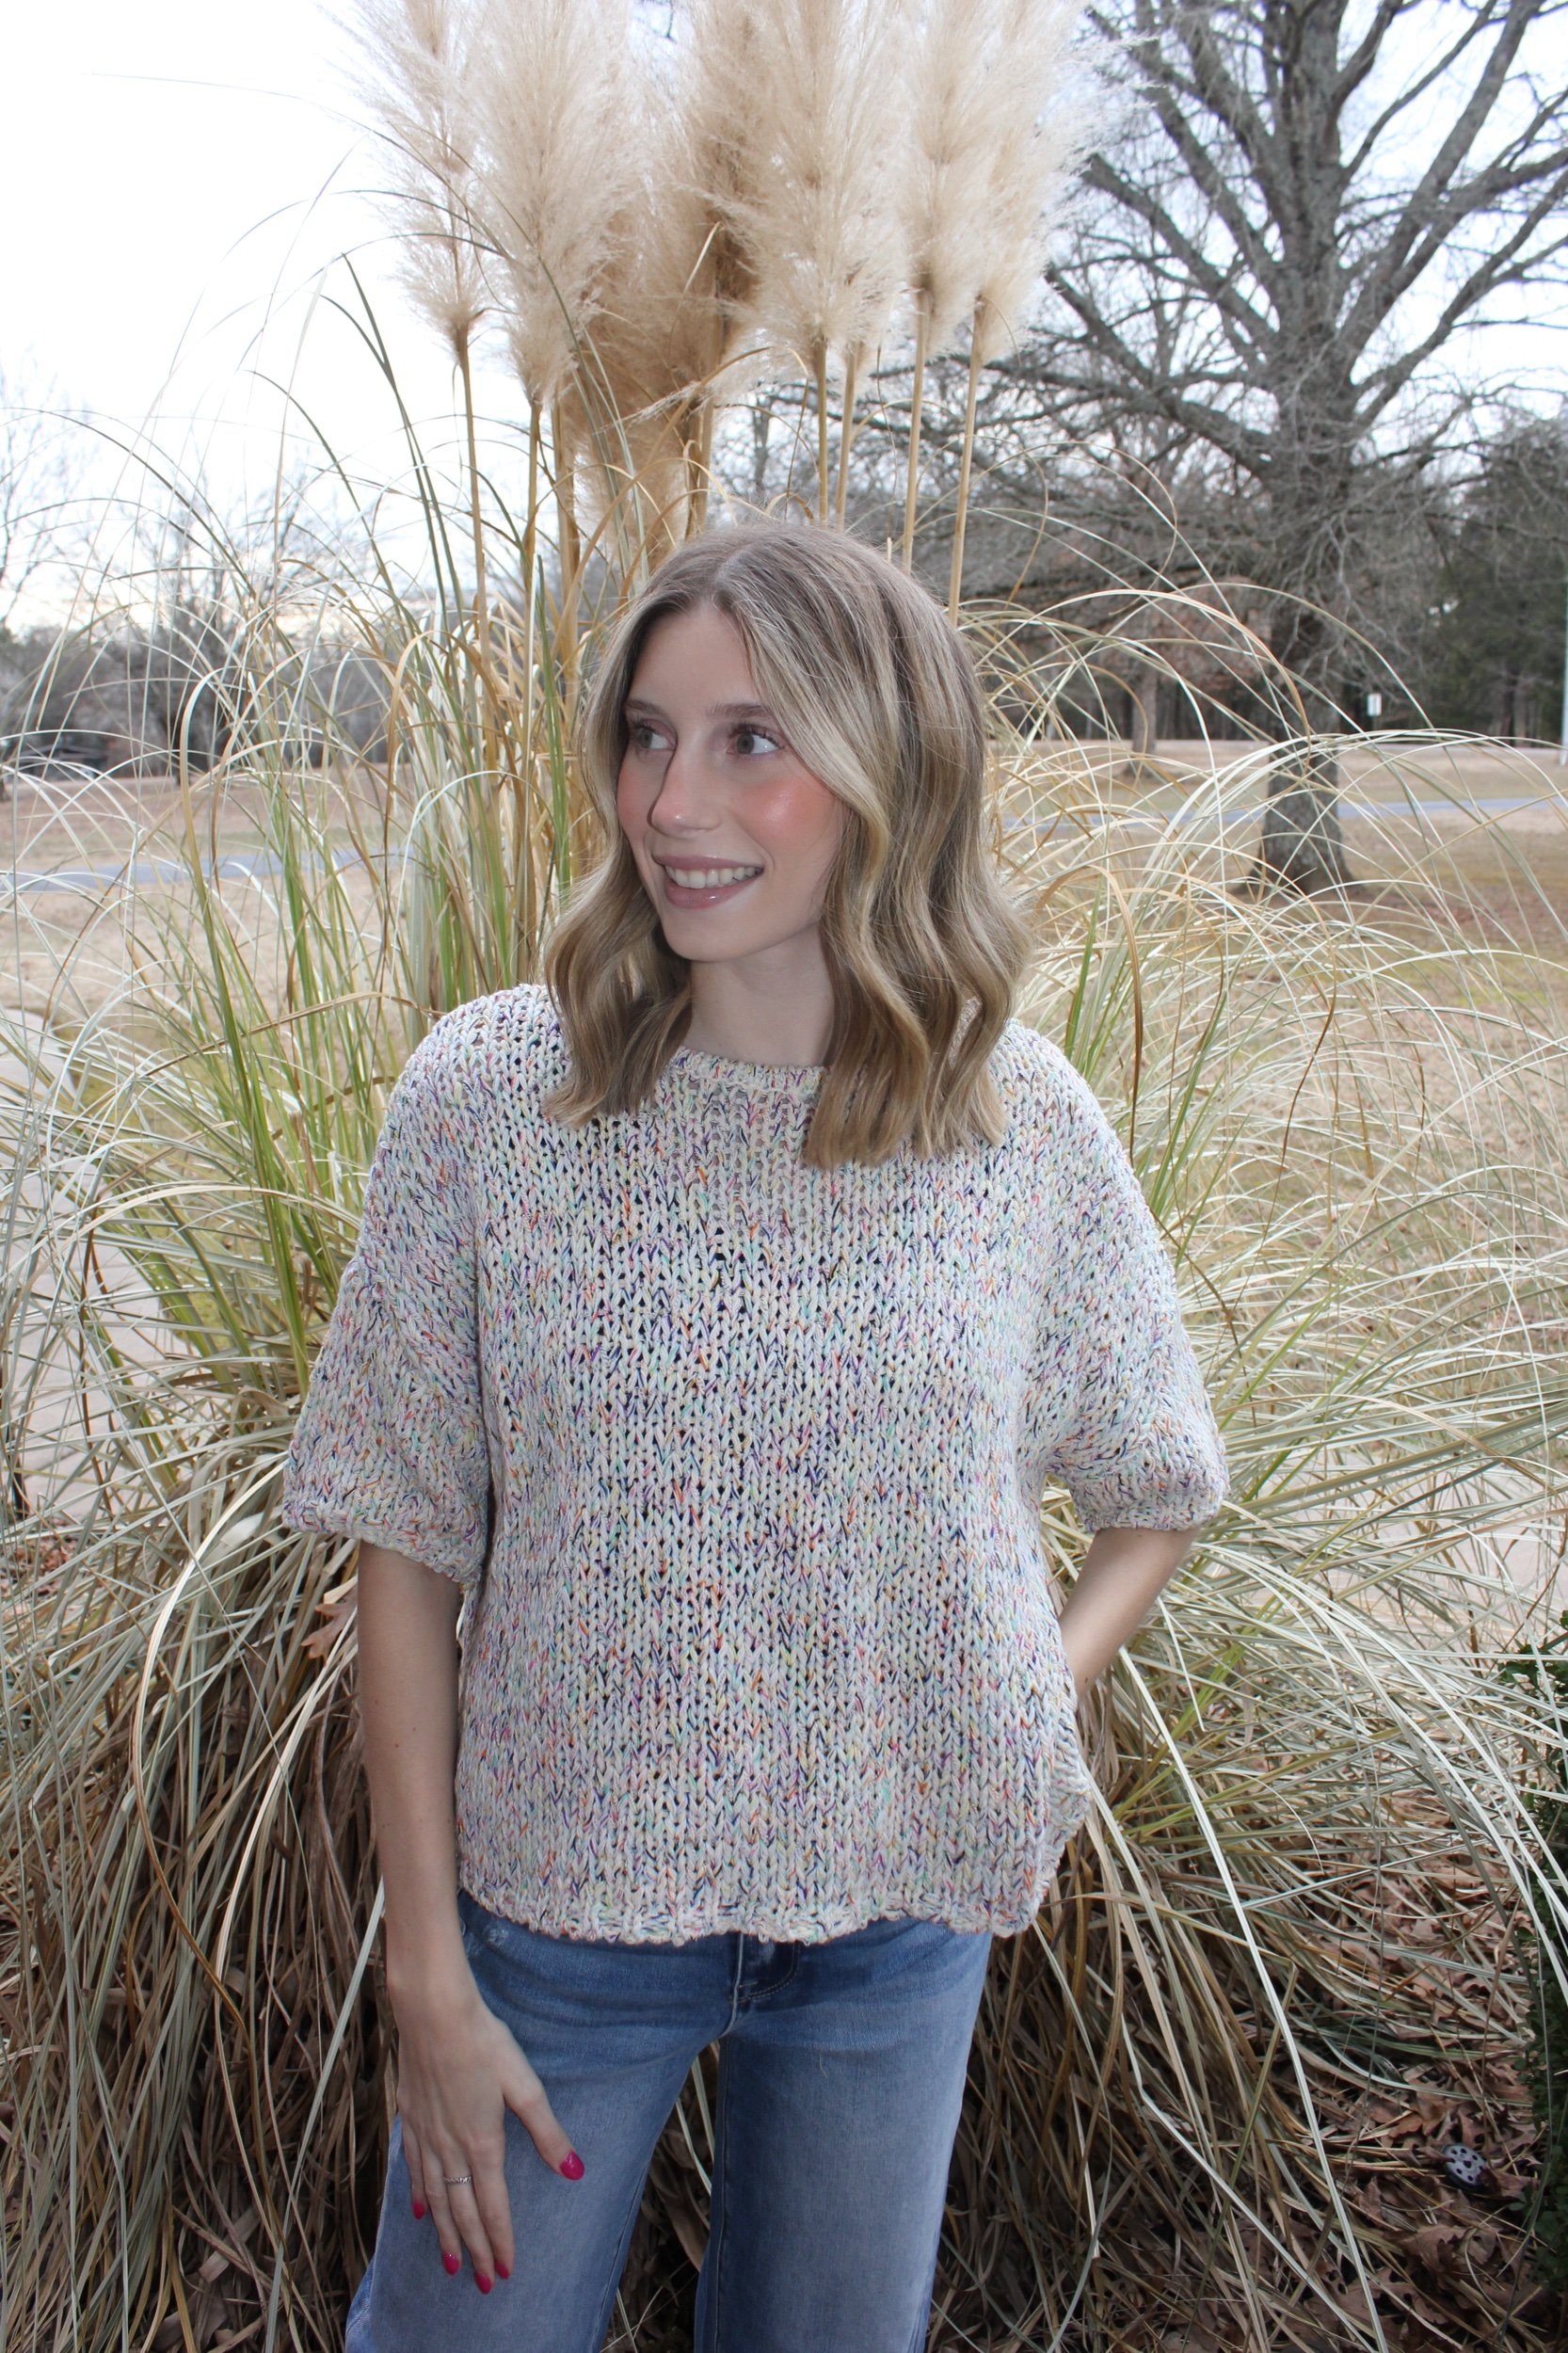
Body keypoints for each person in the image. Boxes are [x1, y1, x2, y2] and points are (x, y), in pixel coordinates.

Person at [279, 517, 1230, 2353]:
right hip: (558, 1913)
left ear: (890, 771)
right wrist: (426, 1978)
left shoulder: (1011, 1123)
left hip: (895, 1929)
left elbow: (1153, 1479)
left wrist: (1026, 1681)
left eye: (749, 741)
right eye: (646, 734)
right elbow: (402, 1541)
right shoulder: (494, 1099)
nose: (670, 800)